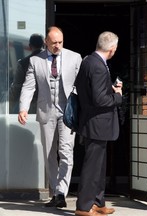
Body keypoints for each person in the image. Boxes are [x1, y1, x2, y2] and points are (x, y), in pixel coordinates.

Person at [18, 26, 82, 208]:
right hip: (46, 111)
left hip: (67, 112)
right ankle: (55, 192)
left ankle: (61, 192)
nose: (57, 46)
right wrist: (23, 108)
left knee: (66, 152)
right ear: (46, 42)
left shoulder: (74, 57)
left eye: (60, 42)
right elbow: (29, 86)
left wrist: (78, 102)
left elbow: (81, 83)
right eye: (54, 42)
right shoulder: (35, 61)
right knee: (49, 154)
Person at [74, 31, 122, 216]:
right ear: (112, 49)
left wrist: (109, 89)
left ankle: (98, 202)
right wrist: (117, 96)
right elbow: (100, 99)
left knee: (99, 167)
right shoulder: (99, 66)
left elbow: (91, 91)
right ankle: (84, 207)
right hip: (97, 124)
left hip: (93, 122)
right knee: (92, 167)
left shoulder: (88, 61)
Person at [10, 33, 44, 113]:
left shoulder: (23, 63)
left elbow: (16, 87)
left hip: (31, 106)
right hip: (48, 105)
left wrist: (8, 105)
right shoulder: (51, 61)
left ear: (30, 46)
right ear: (43, 45)